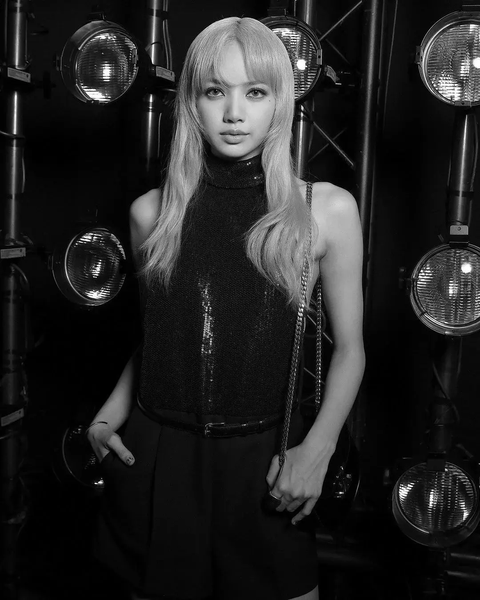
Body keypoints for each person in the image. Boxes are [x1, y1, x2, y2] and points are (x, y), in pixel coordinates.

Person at [86, 16, 365, 600]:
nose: (234, 113)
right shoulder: (150, 213)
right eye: (215, 91)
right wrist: (107, 416)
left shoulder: (325, 210)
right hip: (158, 457)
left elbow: (351, 350)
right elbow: (160, 335)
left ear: (280, 102)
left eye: (255, 92)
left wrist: (317, 450)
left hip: (265, 460)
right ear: (192, 102)